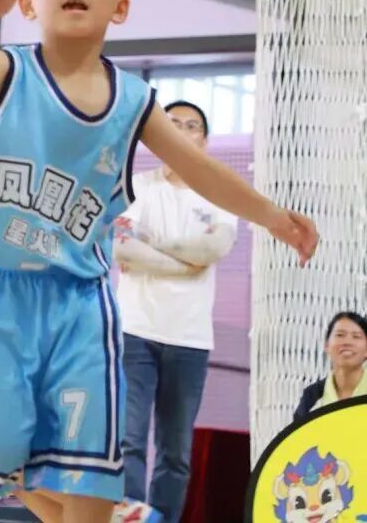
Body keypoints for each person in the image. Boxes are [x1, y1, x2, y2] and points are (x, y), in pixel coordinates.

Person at [0, 0, 318, 523]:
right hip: (0, 291)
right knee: (1, 450)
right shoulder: (10, 68)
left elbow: (201, 170)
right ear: (27, 2)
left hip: (84, 303)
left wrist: (272, 216)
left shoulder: (135, 101)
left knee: (92, 474)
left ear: (121, 7)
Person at [114, 100, 237, 523]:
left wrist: (152, 243)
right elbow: (122, 249)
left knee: (175, 452)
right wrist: (186, 263)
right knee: (127, 441)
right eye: (172, 124)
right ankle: (128, 518)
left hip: (190, 339)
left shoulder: (219, 193)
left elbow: (213, 247)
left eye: (192, 126)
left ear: (205, 140)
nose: (182, 131)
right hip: (134, 331)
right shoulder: (137, 187)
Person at [293, 311, 367, 420]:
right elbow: (299, 431)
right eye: (340, 335)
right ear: (327, 345)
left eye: (356, 336)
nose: (347, 342)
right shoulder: (312, 396)